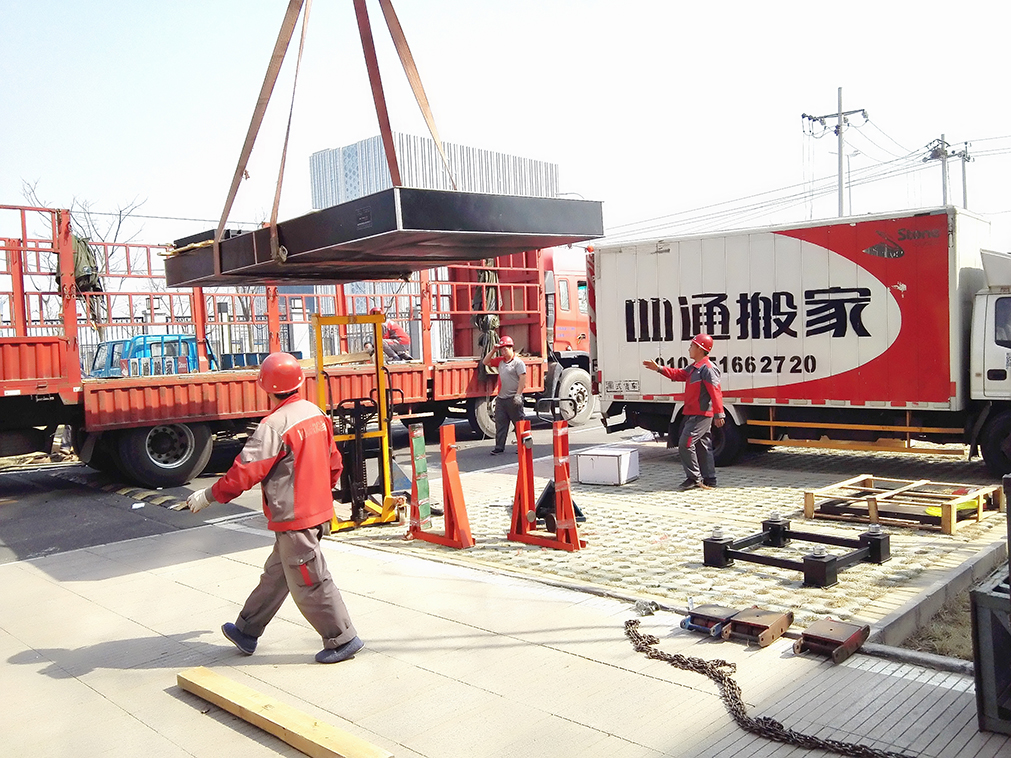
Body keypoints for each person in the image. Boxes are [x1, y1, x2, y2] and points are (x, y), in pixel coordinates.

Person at [186, 352, 363, 664]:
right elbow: (334, 462)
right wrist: (320, 496)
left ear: (266, 387)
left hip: (295, 519)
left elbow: (245, 472)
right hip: (313, 512)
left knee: (310, 582)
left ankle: (342, 639)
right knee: (276, 576)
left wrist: (209, 495)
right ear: (298, 382)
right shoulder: (314, 413)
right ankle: (247, 630)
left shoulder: (274, 425)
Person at [642, 333, 725, 489]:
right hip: (694, 413)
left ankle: (694, 478)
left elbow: (715, 392)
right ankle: (710, 479)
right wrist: (659, 368)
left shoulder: (708, 369)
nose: (689, 349)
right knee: (702, 447)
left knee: (685, 444)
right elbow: (678, 374)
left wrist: (719, 414)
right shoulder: (694, 368)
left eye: (692, 346)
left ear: (700, 348)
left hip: (701, 415)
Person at [481, 335, 526, 455]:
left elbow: (522, 379)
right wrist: (493, 350)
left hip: (513, 398)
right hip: (501, 399)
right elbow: (485, 362)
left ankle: (522, 445)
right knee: (500, 424)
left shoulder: (518, 363)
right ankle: (499, 447)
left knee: (518, 423)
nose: (503, 351)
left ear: (511, 348)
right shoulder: (500, 361)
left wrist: (518, 395)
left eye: (505, 349)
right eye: (501, 349)